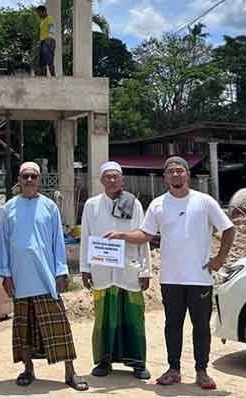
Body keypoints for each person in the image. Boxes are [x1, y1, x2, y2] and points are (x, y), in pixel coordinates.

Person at [105, 156, 235, 391]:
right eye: (171, 171)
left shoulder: (204, 202)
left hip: (199, 277)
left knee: (201, 326)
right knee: (172, 325)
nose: (176, 174)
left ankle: (202, 371)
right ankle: (173, 369)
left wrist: (219, 259)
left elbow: (228, 228)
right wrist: (122, 235)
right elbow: (145, 234)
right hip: (170, 278)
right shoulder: (158, 205)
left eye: (180, 170)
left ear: (187, 174)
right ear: (165, 177)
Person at [0, 161, 88, 392]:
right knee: (24, 327)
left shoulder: (49, 207)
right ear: (19, 179)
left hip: (45, 276)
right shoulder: (9, 208)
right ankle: (28, 369)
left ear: (39, 180)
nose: (29, 180)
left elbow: (58, 241)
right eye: (25, 176)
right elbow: (3, 243)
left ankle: (70, 372)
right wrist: (5, 274)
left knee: (58, 326)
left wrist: (61, 271)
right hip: (19, 277)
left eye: (33, 176)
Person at [79, 161, 152, 380]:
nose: (112, 180)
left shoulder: (134, 204)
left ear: (122, 180)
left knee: (134, 317)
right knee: (103, 318)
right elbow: (86, 238)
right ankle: (104, 361)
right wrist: (85, 268)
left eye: (116, 177)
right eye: (108, 177)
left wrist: (145, 270)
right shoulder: (91, 205)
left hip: (129, 270)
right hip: (102, 269)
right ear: (101, 180)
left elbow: (144, 237)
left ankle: (138, 363)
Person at [35, 5, 56, 77]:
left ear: (44, 12)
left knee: (49, 60)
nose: (38, 15)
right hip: (43, 41)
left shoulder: (49, 18)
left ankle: (54, 77)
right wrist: (40, 42)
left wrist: (49, 38)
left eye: (39, 13)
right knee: (42, 62)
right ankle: (44, 79)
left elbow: (52, 27)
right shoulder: (42, 21)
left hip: (48, 41)